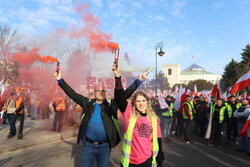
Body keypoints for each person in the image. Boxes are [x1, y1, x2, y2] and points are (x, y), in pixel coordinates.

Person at [53, 62, 142, 167]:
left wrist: (138, 81)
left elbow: (125, 93)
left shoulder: (111, 104)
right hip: (88, 146)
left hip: (104, 147)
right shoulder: (88, 103)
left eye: (103, 90)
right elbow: (73, 94)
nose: (100, 92)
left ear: (106, 93)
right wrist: (60, 80)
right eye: (98, 90)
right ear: (94, 92)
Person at [114, 67, 164, 167]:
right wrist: (118, 77)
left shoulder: (154, 119)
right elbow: (119, 98)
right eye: (138, 101)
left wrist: (160, 158)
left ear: (147, 102)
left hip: (147, 162)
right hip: (129, 162)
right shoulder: (129, 114)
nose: (141, 104)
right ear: (134, 103)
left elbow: (157, 139)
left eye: (143, 101)